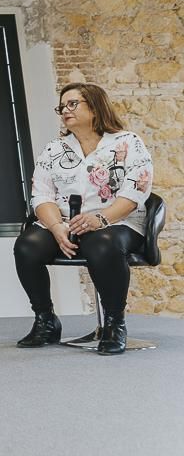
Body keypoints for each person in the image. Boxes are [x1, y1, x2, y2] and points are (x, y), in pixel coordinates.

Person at [13, 82, 153, 355]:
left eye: (72, 104)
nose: (65, 110)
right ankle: (46, 320)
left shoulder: (128, 142)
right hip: (66, 223)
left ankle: (114, 324)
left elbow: (135, 191)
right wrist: (55, 227)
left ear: (95, 107)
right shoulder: (55, 149)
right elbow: (41, 196)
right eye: (62, 106)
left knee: (101, 243)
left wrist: (99, 219)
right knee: (27, 245)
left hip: (117, 222)